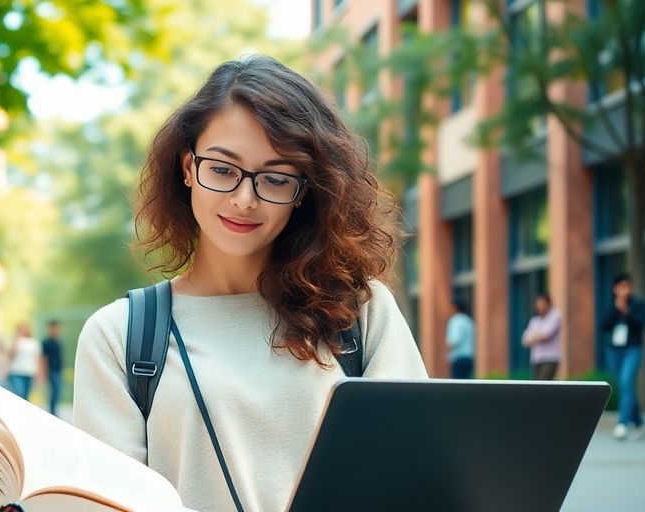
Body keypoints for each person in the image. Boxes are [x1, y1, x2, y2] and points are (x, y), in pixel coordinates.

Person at [73, 55, 427, 512]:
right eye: (222, 170)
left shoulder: (360, 312)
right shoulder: (120, 336)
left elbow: (415, 478)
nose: (244, 200)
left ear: (304, 192)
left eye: (276, 178)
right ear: (187, 168)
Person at [600, 273, 645, 440]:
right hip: (614, 350)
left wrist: (626, 311)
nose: (624, 290)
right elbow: (604, 325)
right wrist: (616, 309)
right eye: (620, 286)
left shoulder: (638, 304)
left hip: (632, 349)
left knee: (627, 381)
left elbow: (641, 324)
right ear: (614, 289)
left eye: (627, 285)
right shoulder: (610, 305)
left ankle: (622, 423)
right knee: (623, 385)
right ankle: (640, 422)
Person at [522, 293, 562, 380]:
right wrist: (539, 335)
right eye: (538, 304)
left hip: (550, 358)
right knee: (537, 385)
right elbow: (525, 340)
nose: (540, 306)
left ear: (548, 304)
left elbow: (546, 334)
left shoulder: (555, 316)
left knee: (543, 382)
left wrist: (535, 335)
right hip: (536, 359)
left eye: (542, 303)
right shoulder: (535, 321)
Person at [7, 322, 42, 400]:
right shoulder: (13, 342)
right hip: (16, 372)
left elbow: (37, 358)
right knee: (19, 394)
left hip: (29, 372)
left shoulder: (32, 342)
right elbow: (10, 356)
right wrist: (16, 342)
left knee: (26, 396)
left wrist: (38, 374)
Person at [446, 299, 475, 379]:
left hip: (459, 358)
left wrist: (448, 344)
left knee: (457, 385)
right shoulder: (468, 320)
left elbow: (454, 340)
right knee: (466, 384)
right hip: (469, 357)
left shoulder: (456, 320)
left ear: (455, 308)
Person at [40, 320, 64, 416]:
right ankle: (52, 411)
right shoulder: (46, 342)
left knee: (57, 391)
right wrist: (44, 371)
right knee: (54, 391)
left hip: (58, 370)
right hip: (51, 370)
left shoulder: (58, 341)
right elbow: (43, 358)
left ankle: (53, 410)